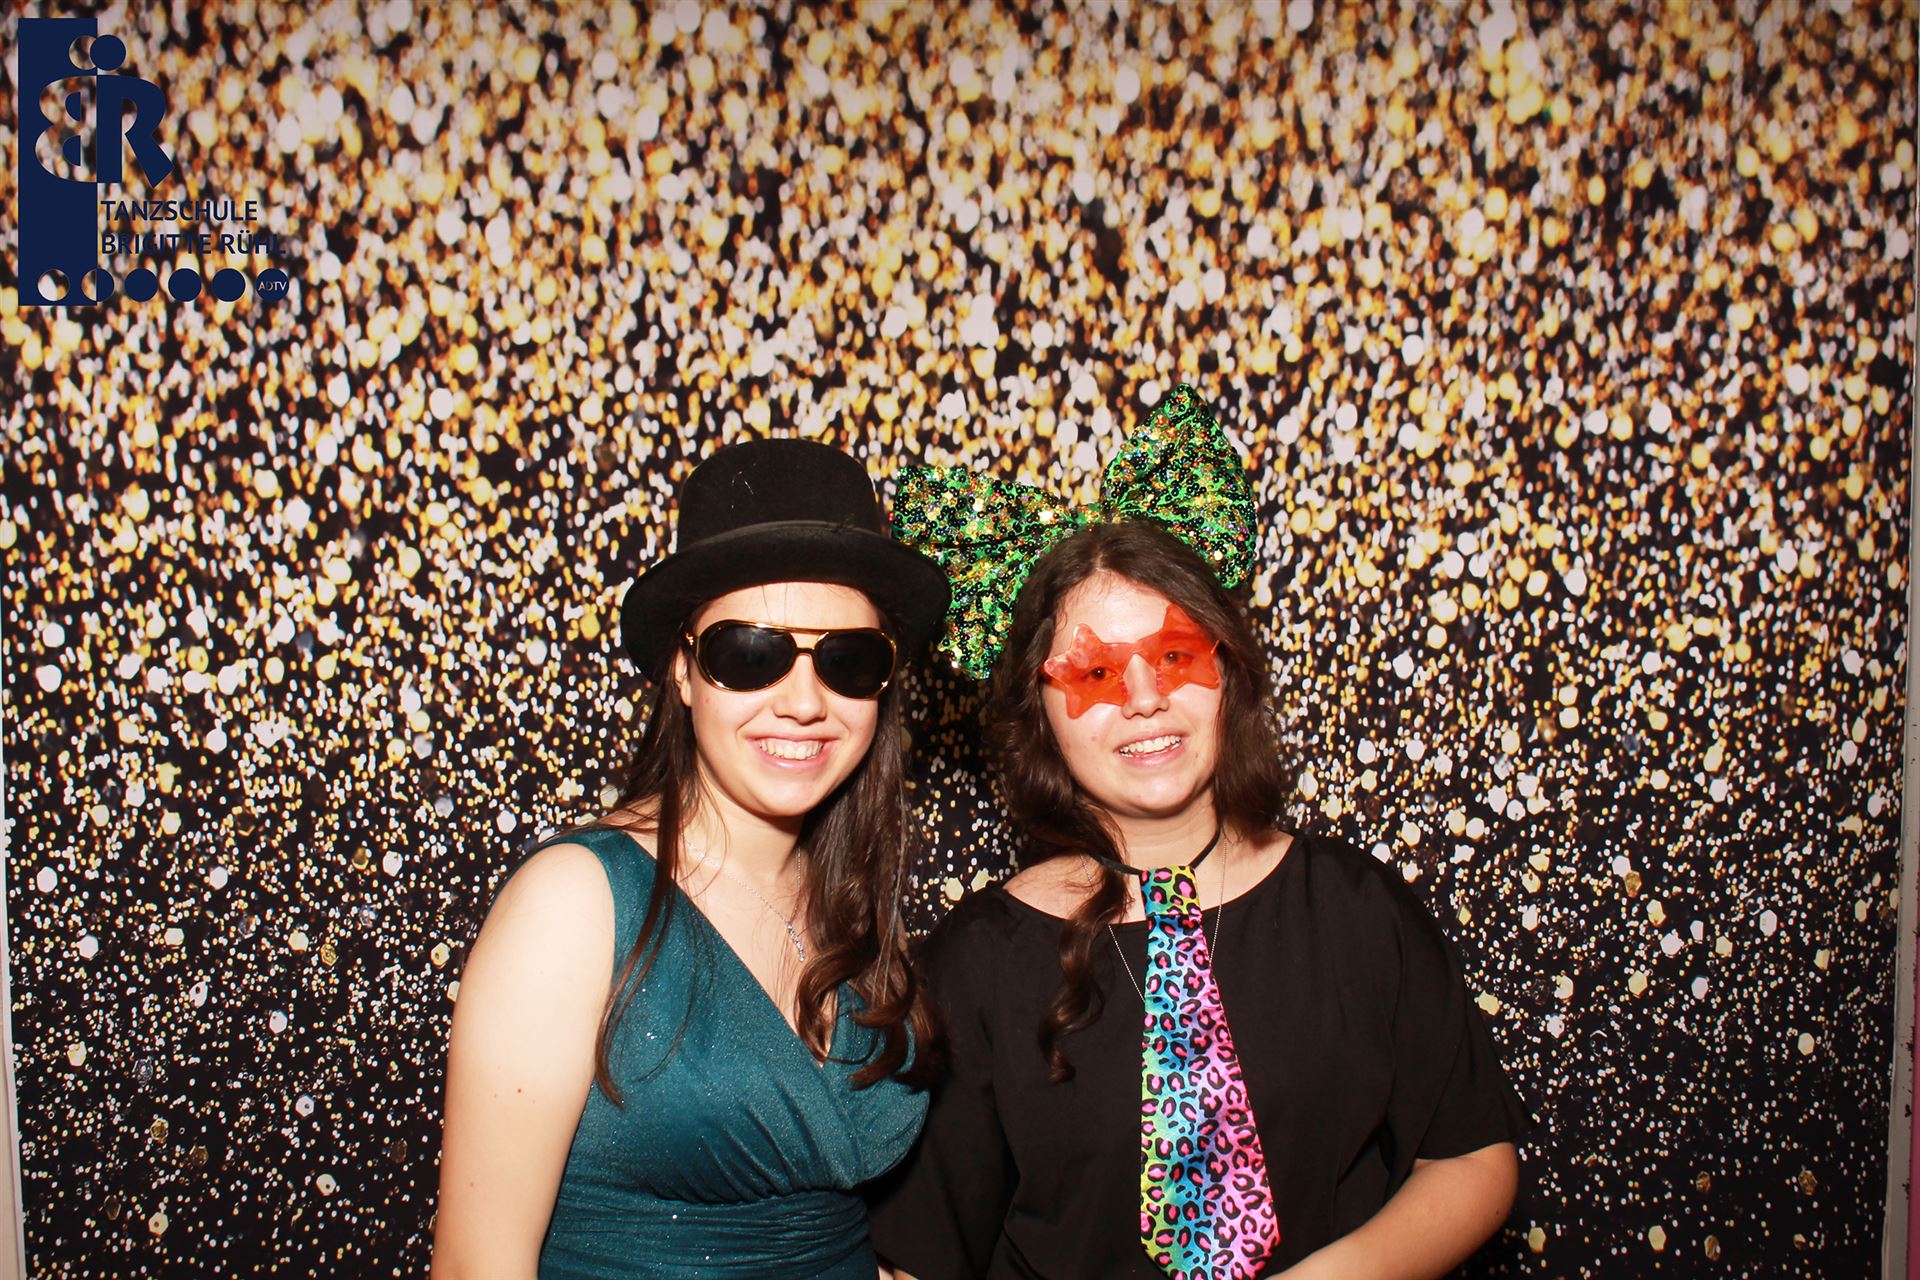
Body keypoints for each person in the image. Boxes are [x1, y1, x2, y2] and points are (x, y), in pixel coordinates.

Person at [871, 386, 1526, 1279]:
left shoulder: (1355, 910)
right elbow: (916, 1257)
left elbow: (1472, 1159)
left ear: (1227, 670)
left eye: (1175, 654)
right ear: (1040, 715)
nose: (1145, 697)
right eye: (1096, 673)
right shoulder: (974, 966)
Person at [432, 438, 952, 1279]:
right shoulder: (574, 904)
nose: (805, 702)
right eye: (751, 653)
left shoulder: (847, 899)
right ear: (682, 670)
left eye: (848, 660)